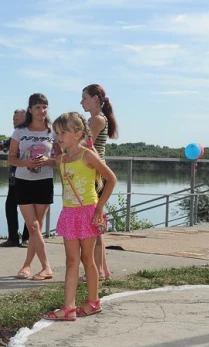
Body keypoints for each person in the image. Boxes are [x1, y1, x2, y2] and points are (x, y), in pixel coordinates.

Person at [44, 112, 117, 321]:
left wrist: (99, 209)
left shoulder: (88, 155)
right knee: (71, 261)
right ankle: (69, 307)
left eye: (63, 132)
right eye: (57, 133)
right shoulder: (62, 160)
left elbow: (111, 179)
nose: (59, 137)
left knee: (88, 259)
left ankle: (93, 302)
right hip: (69, 213)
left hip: (87, 212)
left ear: (77, 134)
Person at [9, 93, 61, 281]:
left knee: (34, 229)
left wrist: (48, 161)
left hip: (44, 181)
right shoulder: (20, 131)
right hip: (23, 181)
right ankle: (46, 266)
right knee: (33, 226)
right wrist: (26, 163)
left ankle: (27, 266)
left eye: (45, 107)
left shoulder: (52, 131)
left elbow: (60, 159)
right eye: (38, 107)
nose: (42, 110)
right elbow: (11, 158)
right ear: (30, 109)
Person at [80, 84, 119, 281]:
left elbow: (86, 144)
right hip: (96, 172)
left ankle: (97, 270)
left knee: (93, 224)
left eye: (84, 98)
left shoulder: (96, 119)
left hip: (95, 174)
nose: (81, 102)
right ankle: (102, 269)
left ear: (95, 99)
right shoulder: (95, 118)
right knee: (96, 224)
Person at [0, 109, 29, 247]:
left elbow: (1, 145)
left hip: (29, 180)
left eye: (17, 119)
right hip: (14, 179)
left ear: (25, 119)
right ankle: (13, 238)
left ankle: (27, 238)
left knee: (29, 210)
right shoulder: (16, 135)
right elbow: (2, 145)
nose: (14, 122)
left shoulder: (27, 133)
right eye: (13, 119)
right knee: (10, 207)